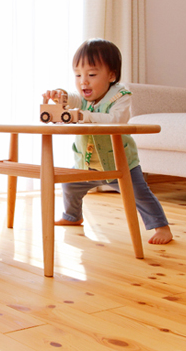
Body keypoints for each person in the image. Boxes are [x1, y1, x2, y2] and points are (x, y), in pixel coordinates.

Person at [42, 39, 173, 244]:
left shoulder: (120, 96)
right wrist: (60, 95)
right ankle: (72, 216)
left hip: (120, 165)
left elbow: (116, 120)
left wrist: (84, 116)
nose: (84, 81)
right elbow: (71, 99)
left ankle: (161, 226)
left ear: (111, 75)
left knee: (140, 195)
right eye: (78, 75)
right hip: (87, 165)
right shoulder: (84, 98)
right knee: (69, 186)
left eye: (92, 75)